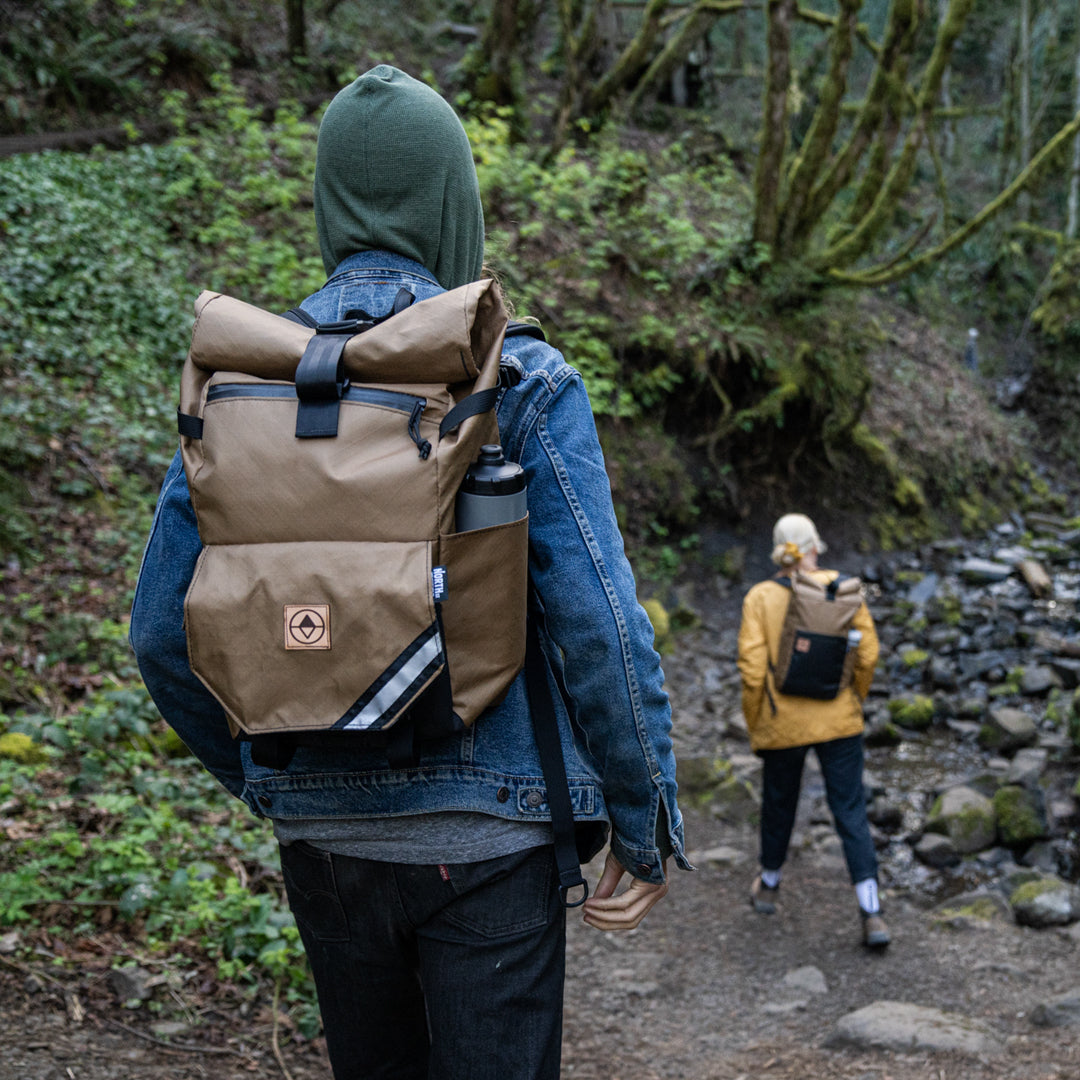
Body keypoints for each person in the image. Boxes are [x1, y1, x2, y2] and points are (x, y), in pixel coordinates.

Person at [129, 64, 688, 1080]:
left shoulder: (241, 389)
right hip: (493, 846)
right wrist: (643, 819)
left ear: (330, 206)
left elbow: (161, 637)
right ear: (452, 206)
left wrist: (275, 776)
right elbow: (602, 624)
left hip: (327, 841)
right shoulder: (516, 378)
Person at [735, 513, 887, 949]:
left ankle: (768, 886)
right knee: (850, 810)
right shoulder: (840, 588)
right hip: (839, 721)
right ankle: (872, 912)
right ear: (814, 547)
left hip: (783, 723)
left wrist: (758, 724)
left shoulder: (759, 597)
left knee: (779, 805)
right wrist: (853, 698)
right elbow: (869, 653)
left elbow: (750, 671)